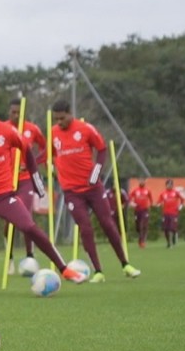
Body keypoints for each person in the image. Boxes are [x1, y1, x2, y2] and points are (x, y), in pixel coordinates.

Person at [0, 96, 87, 294]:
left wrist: (37, 180)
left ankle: (64, 269)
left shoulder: (7, 131)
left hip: (4, 196)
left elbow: (28, 151)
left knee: (29, 226)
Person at [50, 101, 141, 283]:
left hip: (93, 188)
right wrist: (54, 169)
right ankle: (98, 271)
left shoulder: (85, 129)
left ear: (70, 114)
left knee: (107, 223)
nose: (59, 122)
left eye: (62, 118)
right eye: (56, 119)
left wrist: (96, 172)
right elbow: (52, 154)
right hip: (71, 191)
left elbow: (101, 149)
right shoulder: (53, 133)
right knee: (85, 227)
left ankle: (125, 265)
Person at [6, 99, 47, 267]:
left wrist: (33, 163)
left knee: (25, 215)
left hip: (25, 181)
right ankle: (9, 259)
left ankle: (30, 255)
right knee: (9, 221)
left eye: (19, 112)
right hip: (6, 181)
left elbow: (46, 149)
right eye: (13, 112)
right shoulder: (3, 128)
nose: (16, 115)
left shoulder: (32, 129)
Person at [158, 178, 185, 247]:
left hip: (174, 213)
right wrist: (159, 204)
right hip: (165, 213)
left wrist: (180, 206)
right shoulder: (163, 193)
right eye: (168, 184)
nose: (169, 186)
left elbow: (182, 199)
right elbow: (159, 201)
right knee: (166, 229)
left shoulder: (176, 192)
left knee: (172, 227)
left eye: (171, 184)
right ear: (166, 185)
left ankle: (174, 237)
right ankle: (168, 242)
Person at [127, 178, 154, 249]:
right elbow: (129, 198)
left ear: (144, 182)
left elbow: (151, 200)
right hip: (137, 210)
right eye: (140, 181)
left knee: (143, 225)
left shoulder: (147, 190)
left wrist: (150, 207)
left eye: (143, 181)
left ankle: (142, 241)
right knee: (138, 227)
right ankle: (140, 239)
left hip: (145, 210)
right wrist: (132, 203)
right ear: (139, 182)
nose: (142, 182)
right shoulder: (136, 190)